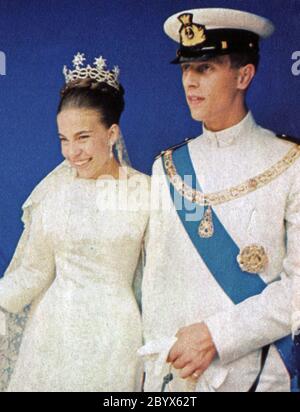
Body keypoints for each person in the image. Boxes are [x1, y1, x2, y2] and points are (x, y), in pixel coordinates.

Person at [141, 8, 300, 392]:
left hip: (256, 373)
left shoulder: (291, 163)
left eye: (206, 68)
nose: (190, 82)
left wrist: (218, 334)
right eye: (185, 70)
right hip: (176, 377)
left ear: (244, 75)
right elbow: (156, 283)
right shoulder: (168, 168)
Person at [0, 53, 150, 392]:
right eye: (63, 140)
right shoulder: (54, 192)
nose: (71, 153)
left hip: (115, 338)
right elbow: (33, 273)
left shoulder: (146, 191)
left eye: (82, 137)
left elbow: (158, 281)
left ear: (111, 133)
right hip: (53, 334)